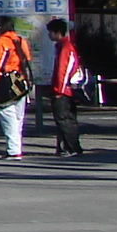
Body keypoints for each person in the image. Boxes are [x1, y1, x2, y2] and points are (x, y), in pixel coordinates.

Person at [0, 15, 34, 160]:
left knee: (7, 116)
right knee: (18, 118)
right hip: (20, 82)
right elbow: (27, 60)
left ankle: (13, 150)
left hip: (5, 83)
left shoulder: (1, 43)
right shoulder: (21, 41)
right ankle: (17, 147)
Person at [45, 17, 86, 156]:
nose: (49, 35)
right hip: (66, 90)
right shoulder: (63, 46)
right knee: (68, 119)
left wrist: (59, 90)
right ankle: (67, 147)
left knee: (64, 119)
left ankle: (72, 147)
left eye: (50, 32)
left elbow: (64, 70)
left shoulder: (65, 47)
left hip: (63, 91)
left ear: (57, 32)